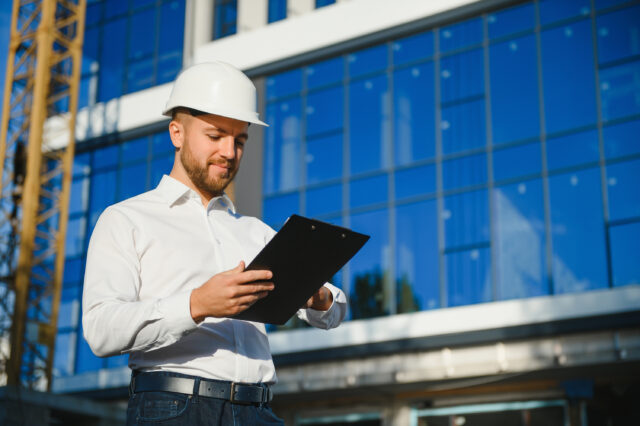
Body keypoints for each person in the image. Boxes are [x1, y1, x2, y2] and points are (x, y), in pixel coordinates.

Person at [82, 61, 347, 425]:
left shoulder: (254, 231)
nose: (229, 152)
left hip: (259, 411)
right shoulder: (127, 219)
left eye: (240, 141)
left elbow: (335, 309)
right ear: (177, 133)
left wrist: (316, 295)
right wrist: (196, 304)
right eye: (215, 136)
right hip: (174, 408)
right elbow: (100, 330)